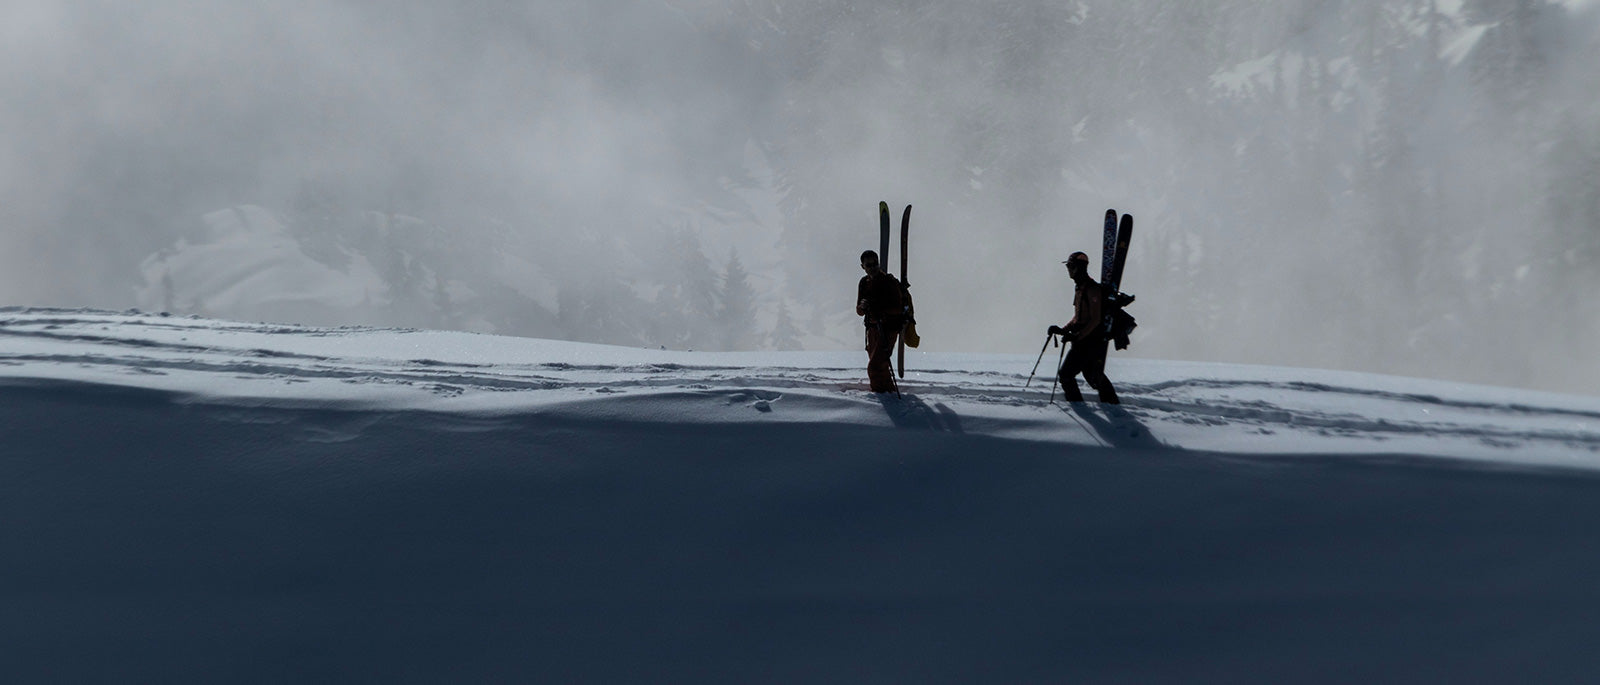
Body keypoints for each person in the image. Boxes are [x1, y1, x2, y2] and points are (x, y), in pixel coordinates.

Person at [1048, 251, 1120, 404]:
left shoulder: (1092, 289)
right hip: (1083, 339)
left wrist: (1077, 336)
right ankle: (1112, 404)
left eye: (1070, 266)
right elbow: (1078, 317)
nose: (1068, 269)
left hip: (1089, 341)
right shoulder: (1080, 288)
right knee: (1093, 375)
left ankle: (1079, 406)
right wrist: (1063, 329)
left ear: (1078, 268)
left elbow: (1095, 319)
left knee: (1066, 374)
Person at [856, 249, 905, 393]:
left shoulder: (889, 282)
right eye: (868, 265)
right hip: (872, 329)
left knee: (875, 366)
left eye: (874, 264)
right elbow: (859, 311)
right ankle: (888, 392)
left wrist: (879, 308)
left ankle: (882, 397)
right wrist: (863, 306)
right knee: (880, 366)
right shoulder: (864, 282)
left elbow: (898, 308)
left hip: (888, 329)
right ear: (862, 266)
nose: (872, 267)